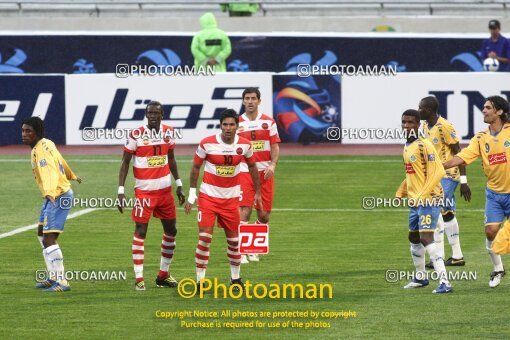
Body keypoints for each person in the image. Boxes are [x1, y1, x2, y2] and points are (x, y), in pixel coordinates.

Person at [185, 109, 262, 291]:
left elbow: (252, 167)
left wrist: (257, 191)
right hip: (208, 198)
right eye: (225, 124)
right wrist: (192, 193)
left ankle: (235, 279)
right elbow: (196, 167)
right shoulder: (207, 143)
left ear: (237, 126)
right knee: (204, 238)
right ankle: (200, 281)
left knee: (234, 241)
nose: (228, 128)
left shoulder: (245, 145)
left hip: (231, 200)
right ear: (221, 125)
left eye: (231, 124)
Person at [117, 101, 185, 291]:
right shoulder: (136, 135)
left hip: (165, 192)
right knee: (141, 231)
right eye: (149, 113)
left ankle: (163, 274)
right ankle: (139, 278)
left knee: (172, 231)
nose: (152, 116)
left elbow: (171, 158)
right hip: (144, 193)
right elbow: (125, 162)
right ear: (146, 114)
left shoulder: (169, 132)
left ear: (162, 114)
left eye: (156, 113)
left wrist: (179, 184)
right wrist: (120, 191)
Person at [444, 96, 510, 288]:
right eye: (483, 107)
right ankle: (498, 269)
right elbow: (462, 157)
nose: (484, 110)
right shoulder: (481, 138)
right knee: (490, 232)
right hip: (494, 195)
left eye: (488, 108)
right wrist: (439, 166)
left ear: (499, 112)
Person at [395, 109, 453, 294]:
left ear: (418, 125)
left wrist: (422, 194)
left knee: (426, 237)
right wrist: (401, 192)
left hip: (430, 199)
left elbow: (438, 172)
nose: (406, 126)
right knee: (413, 236)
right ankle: (420, 277)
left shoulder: (424, 145)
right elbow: (412, 174)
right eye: (404, 122)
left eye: (410, 122)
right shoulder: (407, 145)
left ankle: (445, 282)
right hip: (416, 200)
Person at [22, 117, 81, 292]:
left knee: (49, 238)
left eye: (28, 131)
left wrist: (48, 191)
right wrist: (71, 174)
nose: (24, 134)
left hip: (57, 195)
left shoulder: (41, 151)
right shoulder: (47, 143)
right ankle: (52, 277)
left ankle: (62, 282)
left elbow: (50, 172)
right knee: (42, 233)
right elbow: (60, 160)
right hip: (54, 195)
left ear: (37, 133)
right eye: (23, 130)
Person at [419, 96, 471, 269]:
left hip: (449, 174)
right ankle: (457, 256)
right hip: (435, 175)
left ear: (429, 110)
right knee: (447, 212)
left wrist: (464, 181)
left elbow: (459, 153)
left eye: (421, 108)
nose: (419, 111)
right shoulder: (425, 126)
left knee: (438, 211)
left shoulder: (446, 127)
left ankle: (438, 258)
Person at [237, 87, 280, 263]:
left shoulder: (269, 122)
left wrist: (273, 164)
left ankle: (253, 248)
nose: (250, 101)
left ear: (259, 101)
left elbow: (275, 146)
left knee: (264, 215)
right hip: (245, 172)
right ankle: (240, 252)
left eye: (253, 98)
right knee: (244, 211)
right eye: (247, 98)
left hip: (265, 173)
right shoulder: (237, 123)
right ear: (243, 101)